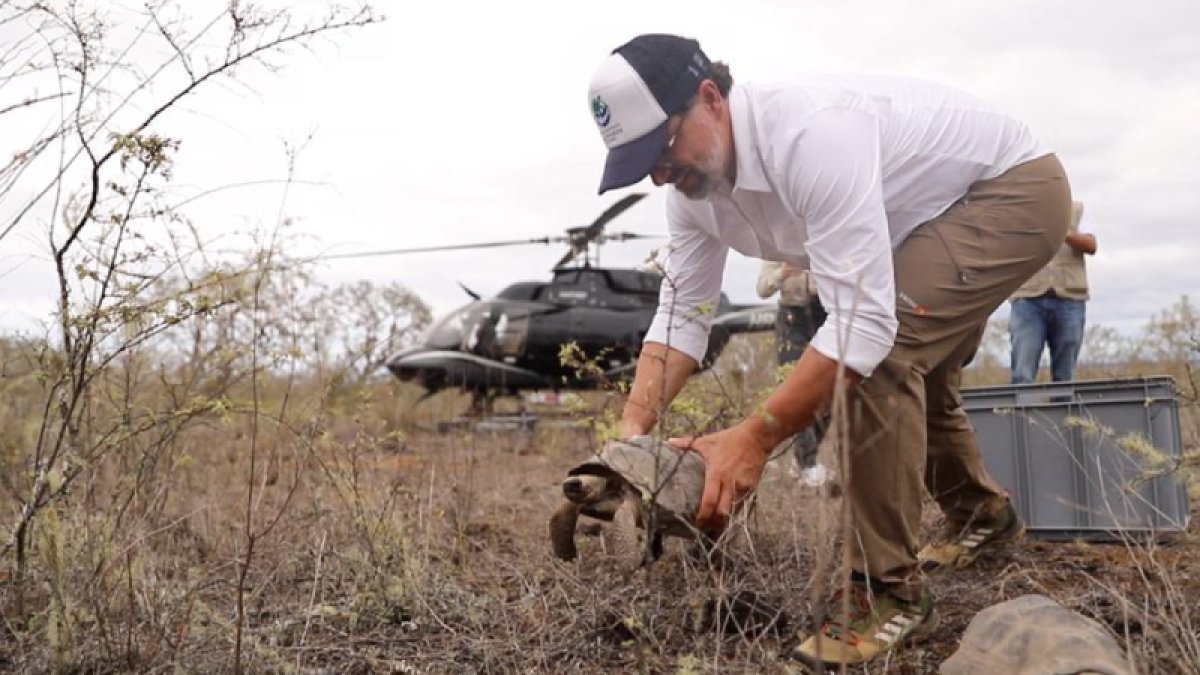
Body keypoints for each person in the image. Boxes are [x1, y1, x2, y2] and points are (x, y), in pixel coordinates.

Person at [586, 34, 1072, 666]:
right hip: (916, 224)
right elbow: (681, 315)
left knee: (885, 351)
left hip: (1010, 191)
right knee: (910, 366)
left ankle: (888, 594)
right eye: (639, 163)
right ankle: (982, 515)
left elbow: (863, 327)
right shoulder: (694, 196)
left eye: (663, 146)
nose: (657, 174)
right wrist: (629, 441)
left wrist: (753, 439)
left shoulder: (812, 137)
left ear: (710, 98)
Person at [755, 261, 830, 484]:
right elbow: (762, 289)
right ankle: (805, 461)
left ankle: (806, 457)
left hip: (826, 316)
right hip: (792, 319)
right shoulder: (778, 248)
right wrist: (782, 273)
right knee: (797, 387)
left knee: (830, 388)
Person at [1009, 200, 1097, 383]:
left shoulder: (1078, 208)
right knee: (1022, 373)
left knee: (1065, 375)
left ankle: (1065, 411)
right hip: (1027, 298)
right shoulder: (1017, 209)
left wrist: (1061, 232)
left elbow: (1091, 245)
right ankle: (1023, 411)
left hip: (1070, 298)